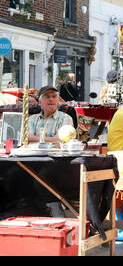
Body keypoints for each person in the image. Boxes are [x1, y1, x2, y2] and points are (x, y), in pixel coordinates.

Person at [4, 85, 74, 217]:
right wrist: (51, 139)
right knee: (11, 174)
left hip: (56, 163)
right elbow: (25, 138)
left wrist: (36, 139)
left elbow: (61, 140)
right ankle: (21, 210)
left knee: (43, 178)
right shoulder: (31, 119)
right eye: (47, 97)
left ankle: (56, 211)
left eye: (54, 97)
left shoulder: (65, 118)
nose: (51, 100)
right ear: (40, 102)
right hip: (32, 161)